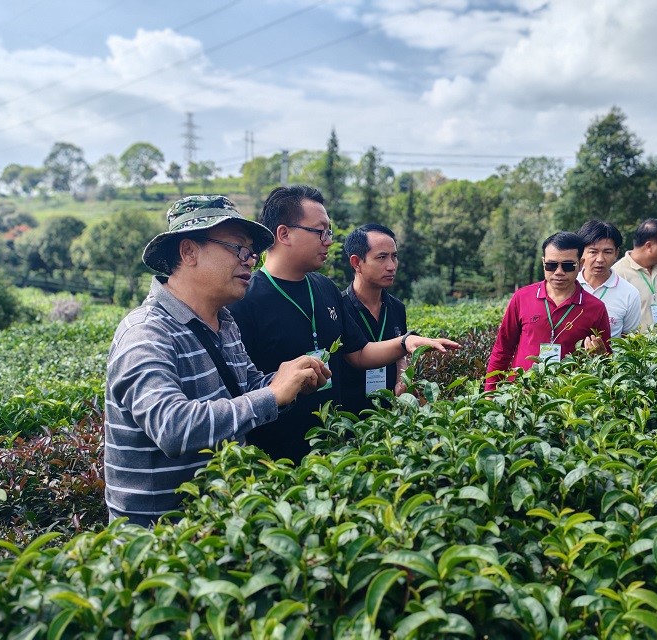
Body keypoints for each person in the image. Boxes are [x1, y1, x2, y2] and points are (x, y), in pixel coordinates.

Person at [104, 195, 331, 526]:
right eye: (238, 248)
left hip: (215, 521)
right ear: (189, 252)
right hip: (160, 539)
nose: (250, 260)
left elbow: (244, 386)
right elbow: (172, 428)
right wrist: (271, 395)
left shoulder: (224, 322)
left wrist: (287, 380)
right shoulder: (146, 333)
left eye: (251, 252)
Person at [228, 185, 458, 463]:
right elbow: (239, 387)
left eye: (330, 232)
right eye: (320, 231)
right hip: (275, 457)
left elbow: (359, 352)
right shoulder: (245, 299)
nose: (328, 241)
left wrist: (405, 342)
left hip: (333, 445)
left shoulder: (324, 287)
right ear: (284, 234)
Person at [484, 231, 611, 391]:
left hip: (567, 396)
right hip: (520, 393)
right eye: (551, 265)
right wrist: (490, 392)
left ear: (580, 264)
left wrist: (600, 356)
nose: (559, 272)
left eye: (567, 266)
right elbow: (503, 349)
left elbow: (606, 358)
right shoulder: (522, 297)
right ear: (543, 262)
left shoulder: (595, 308)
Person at [340, 223, 407, 415]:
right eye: (382, 257)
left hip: (389, 416)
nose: (391, 266)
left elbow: (400, 352)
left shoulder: (397, 308)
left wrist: (402, 377)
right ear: (356, 262)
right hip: (348, 418)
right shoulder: (338, 308)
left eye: (394, 256)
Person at [576, 220, 641, 338]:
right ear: (581, 252)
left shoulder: (629, 294)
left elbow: (629, 340)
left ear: (616, 253)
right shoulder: (568, 285)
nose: (600, 259)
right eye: (593, 252)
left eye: (607, 252)